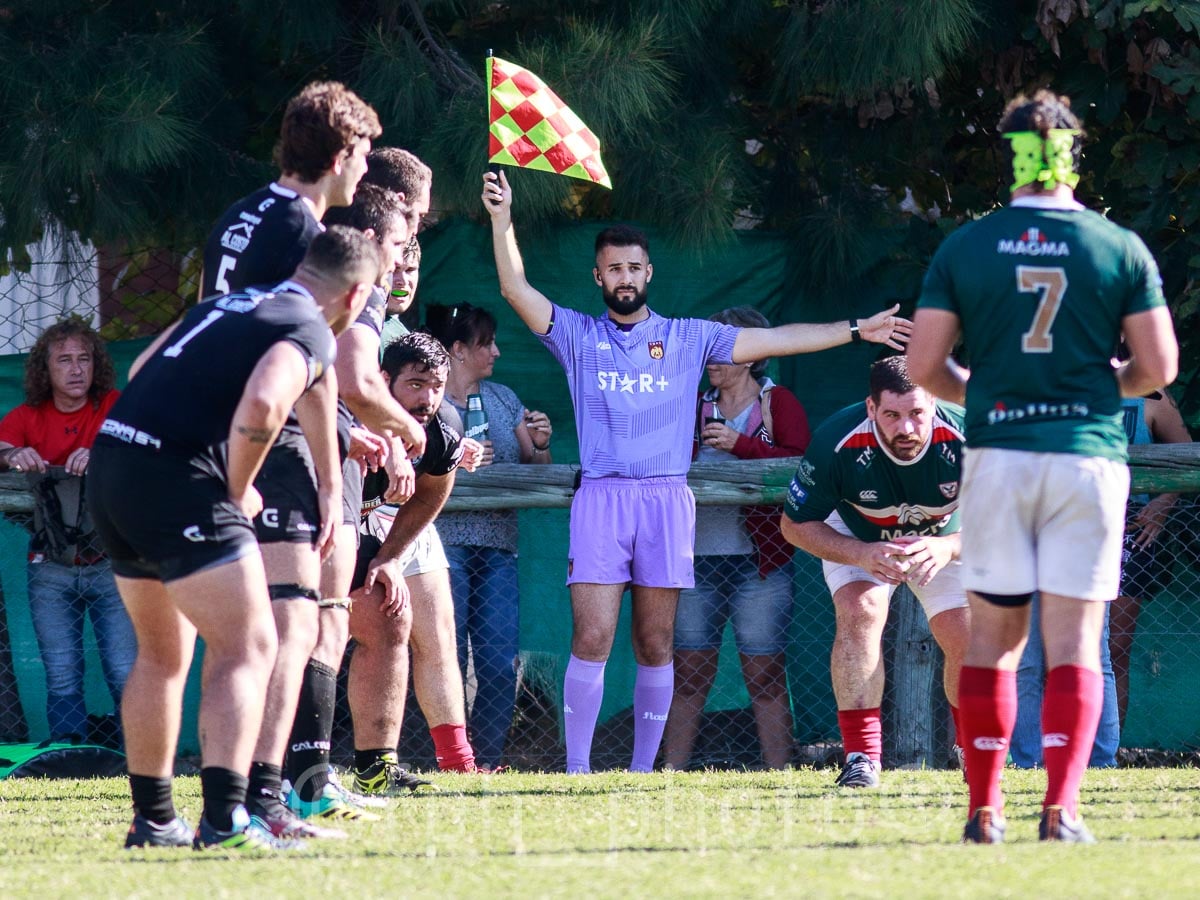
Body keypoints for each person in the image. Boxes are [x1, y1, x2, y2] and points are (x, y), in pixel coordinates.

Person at [481, 169, 910, 774]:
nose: (624, 278)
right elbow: (515, 288)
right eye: (613, 269)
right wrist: (503, 221)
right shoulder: (576, 334)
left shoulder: (689, 339)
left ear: (648, 274)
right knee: (593, 639)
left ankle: (640, 773)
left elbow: (779, 339)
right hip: (602, 499)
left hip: (666, 501)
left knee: (657, 644)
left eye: (634, 268)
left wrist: (855, 330)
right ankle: (577, 771)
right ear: (597, 276)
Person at [907, 90, 1178, 844]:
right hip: (1086, 460)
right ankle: (1060, 811)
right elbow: (1160, 366)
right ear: (1073, 157)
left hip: (1000, 456)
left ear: (1012, 159)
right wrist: (1092, 388)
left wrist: (990, 395)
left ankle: (984, 810)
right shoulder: (1117, 246)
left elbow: (923, 365)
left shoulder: (967, 246)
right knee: (1077, 644)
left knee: (993, 642)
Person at [91, 226, 382, 851]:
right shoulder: (304, 325)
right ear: (356, 295)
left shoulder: (229, 302)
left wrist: (329, 485)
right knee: (251, 645)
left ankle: (154, 822)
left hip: (113, 465)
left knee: (163, 655)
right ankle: (225, 821)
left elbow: (141, 367)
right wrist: (236, 484)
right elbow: (263, 404)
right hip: (182, 479)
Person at [199, 82, 407, 837]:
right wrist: (327, 471)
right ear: (340, 153)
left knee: (266, 628)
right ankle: (263, 801)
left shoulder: (244, 211)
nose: (364, 175)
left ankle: (260, 798)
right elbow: (306, 358)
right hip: (268, 427)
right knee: (290, 627)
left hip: (229, 420)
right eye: (362, 155)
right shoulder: (297, 226)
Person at [283, 183, 433, 813]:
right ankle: (301, 785)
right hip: (284, 463)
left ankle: (290, 782)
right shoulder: (358, 293)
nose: (405, 259)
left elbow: (322, 387)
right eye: (402, 241)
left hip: (261, 456)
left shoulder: (280, 287)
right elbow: (353, 379)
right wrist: (405, 431)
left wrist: (354, 434)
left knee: (300, 623)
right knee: (314, 622)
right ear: (372, 241)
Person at [779, 355, 970, 787]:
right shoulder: (836, 440)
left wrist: (946, 546)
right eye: (892, 415)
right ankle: (861, 757)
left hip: (947, 533)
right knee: (861, 609)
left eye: (918, 413)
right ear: (871, 408)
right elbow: (793, 525)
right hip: (859, 532)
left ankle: (971, 748)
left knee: (966, 631)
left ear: (934, 401)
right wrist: (862, 553)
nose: (906, 428)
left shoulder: (969, 435)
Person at [663, 306, 810, 771]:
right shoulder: (690, 401)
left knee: (765, 677)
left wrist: (741, 445)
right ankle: (668, 776)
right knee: (687, 678)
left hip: (760, 563)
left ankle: (780, 775)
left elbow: (801, 464)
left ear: (753, 355)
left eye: (724, 349)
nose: (713, 358)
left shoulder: (778, 403)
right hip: (694, 559)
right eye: (710, 348)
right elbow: (661, 460)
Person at [346, 333, 483, 785]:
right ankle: (268, 769)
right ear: (383, 380)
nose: (428, 398)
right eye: (416, 384)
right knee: (299, 638)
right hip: (299, 521)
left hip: (364, 525)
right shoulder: (346, 414)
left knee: (391, 622)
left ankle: (376, 769)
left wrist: (388, 559)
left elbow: (428, 498)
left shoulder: (444, 427)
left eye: (437, 386)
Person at [425, 302, 555, 770]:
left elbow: (537, 469)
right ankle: (444, 758)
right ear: (458, 350)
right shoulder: (430, 402)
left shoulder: (503, 400)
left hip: (500, 546)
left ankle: (486, 759)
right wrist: (454, 459)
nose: (497, 352)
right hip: (442, 544)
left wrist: (540, 445)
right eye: (487, 344)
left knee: (501, 665)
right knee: (445, 658)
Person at [0, 319, 134, 743]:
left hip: (113, 561)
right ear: (46, 369)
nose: (76, 369)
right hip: (50, 567)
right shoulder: (27, 416)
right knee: (60, 674)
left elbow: (142, 444)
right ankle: (68, 759)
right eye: (64, 360)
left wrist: (102, 454)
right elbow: (0, 446)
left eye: (84, 359)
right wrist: (13, 454)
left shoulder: (114, 404)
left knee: (124, 668)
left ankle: (139, 760)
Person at [201, 81, 381, 299]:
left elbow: (201, 310)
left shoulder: (237, 213)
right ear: (338, 160)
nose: (365, 168)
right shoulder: (308, 241)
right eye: (362, 156)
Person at [1109, 390, 1193, 729]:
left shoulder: (1153, 395)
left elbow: (1189, 456)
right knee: (1058, 649)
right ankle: (1049, 753)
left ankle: (1102, 755)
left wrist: (1163, 504)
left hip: (1131, 529)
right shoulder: (1062, 377)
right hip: (1067, 523)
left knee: (1115, 650)